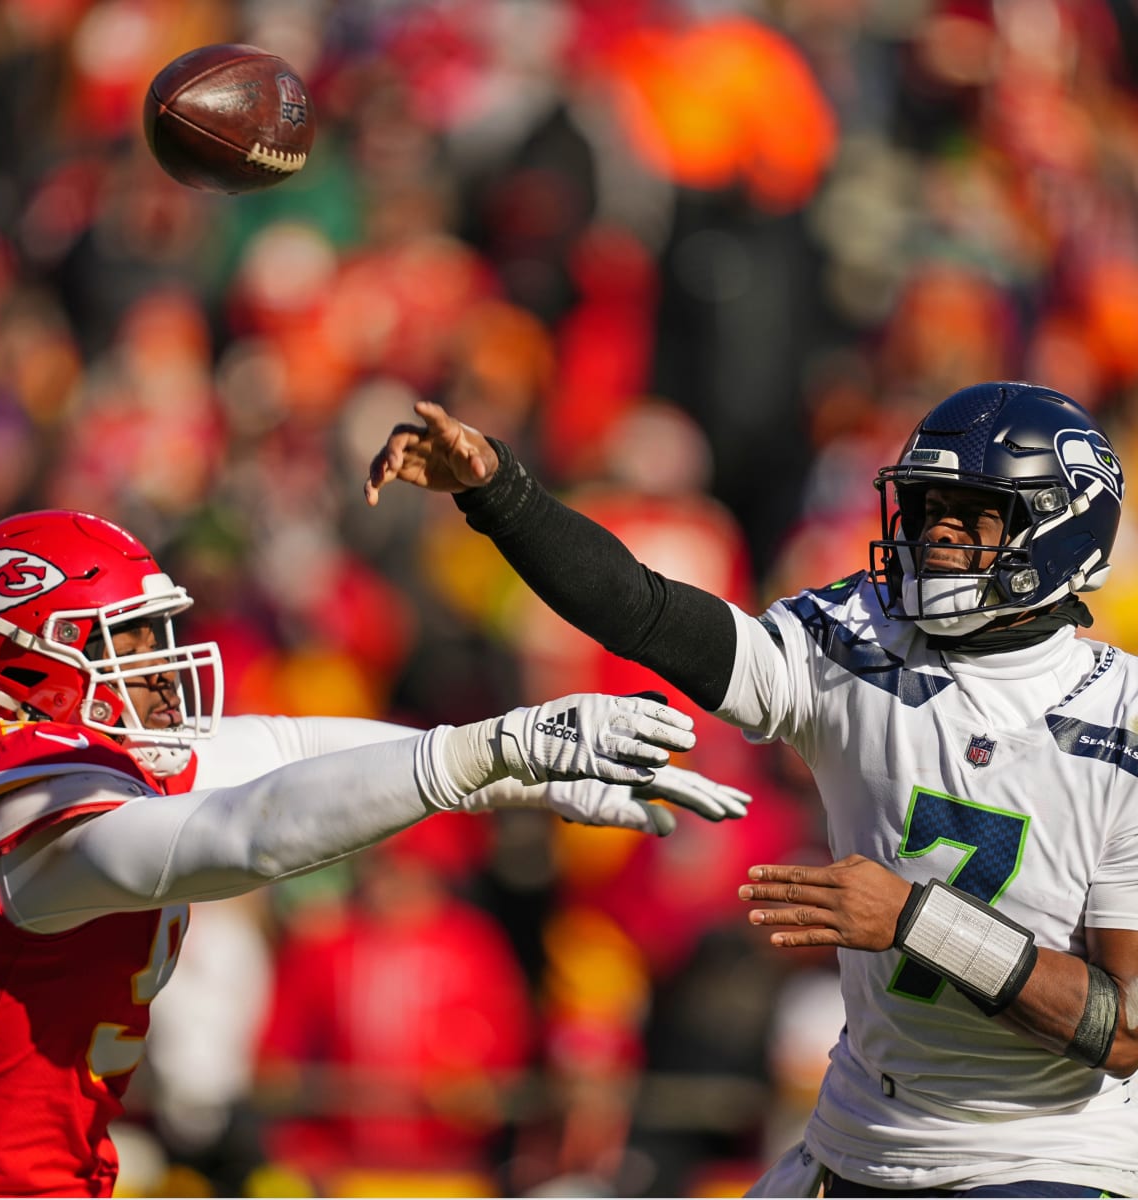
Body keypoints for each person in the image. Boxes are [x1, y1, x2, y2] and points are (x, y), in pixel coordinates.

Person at [364, 380, 1138, 1198]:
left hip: (1046, 1155)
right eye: (926, 507)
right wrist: (500, 494)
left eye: (975, 512)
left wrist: (916, 920)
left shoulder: (1122, 722)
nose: (936, 533)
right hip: (858, 1136)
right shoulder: (858, 635)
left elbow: (1125, 1027)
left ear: (1060, 531)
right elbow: (647, 613)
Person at [0, 507, 751, 1198]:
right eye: (129, 638)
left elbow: (282, 745)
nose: (159, 665)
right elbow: (240, 835)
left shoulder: (65, 762)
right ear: (26, 662)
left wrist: (519, 776)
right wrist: (493, 751)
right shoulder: (16, 806)